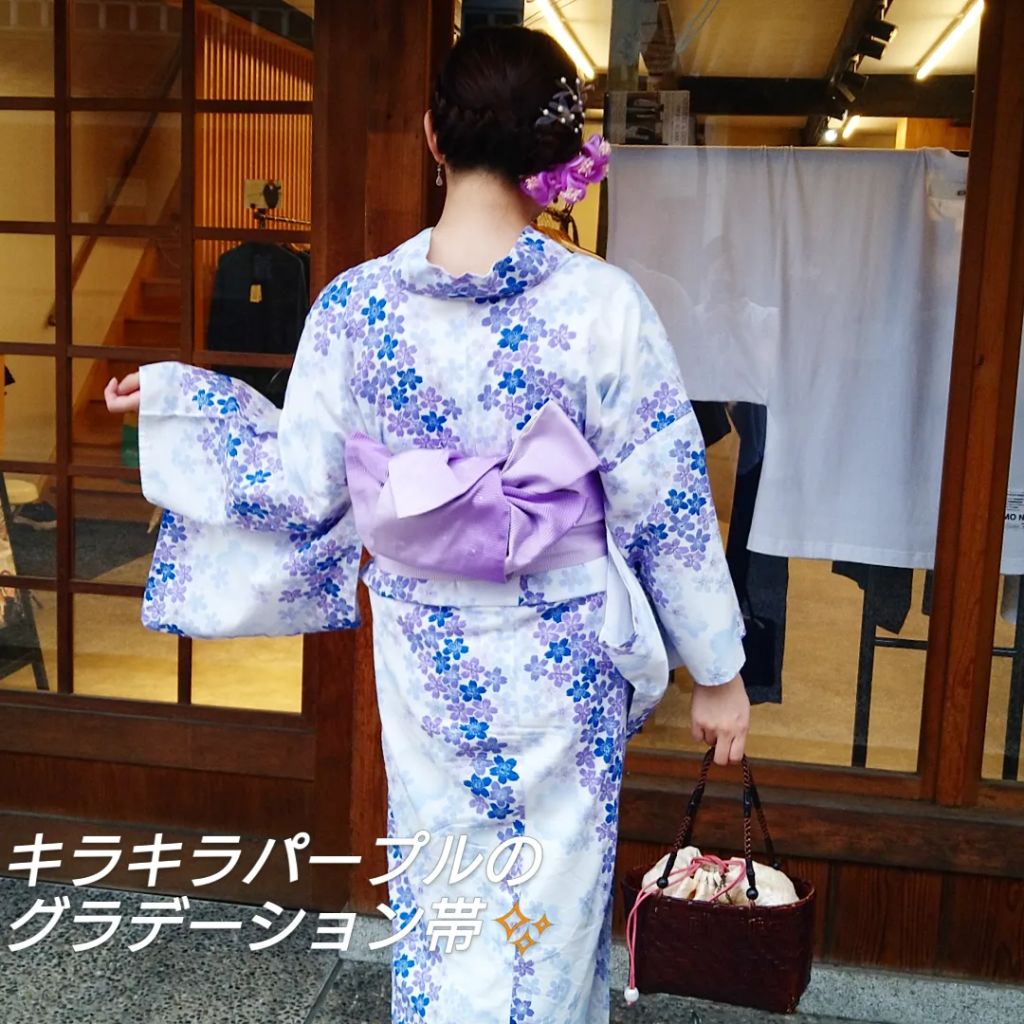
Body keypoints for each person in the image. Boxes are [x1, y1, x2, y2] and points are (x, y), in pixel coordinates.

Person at [105, 26, 749, 1024]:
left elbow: (297, 485)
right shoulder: (602, 307)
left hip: (428, 652)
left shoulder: (356, 309)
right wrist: (718, 670)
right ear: (553, 151)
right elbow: (663, 501)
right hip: (563, 652)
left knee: (444, 883)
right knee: (553, 896)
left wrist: (180, 404)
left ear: (431, 136)